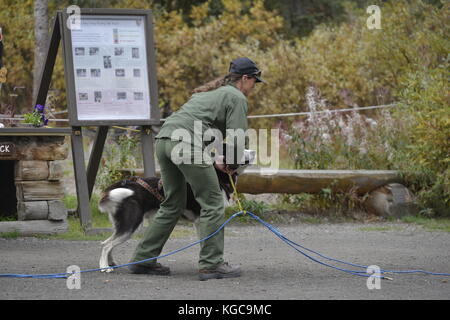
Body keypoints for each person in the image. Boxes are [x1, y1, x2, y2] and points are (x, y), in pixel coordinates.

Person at [129, 57, 264, 280]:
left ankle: (143, 260)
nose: (254, 87)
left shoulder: (210, 94)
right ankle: (212, 264)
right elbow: (237, 137)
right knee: (212, 202)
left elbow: (205, 132)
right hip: (185, 144)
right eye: (254, 82)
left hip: (164, 140)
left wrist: (221, 158)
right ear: (245, 78)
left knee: (173, 203)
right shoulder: (236, 97)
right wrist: (232, 163)